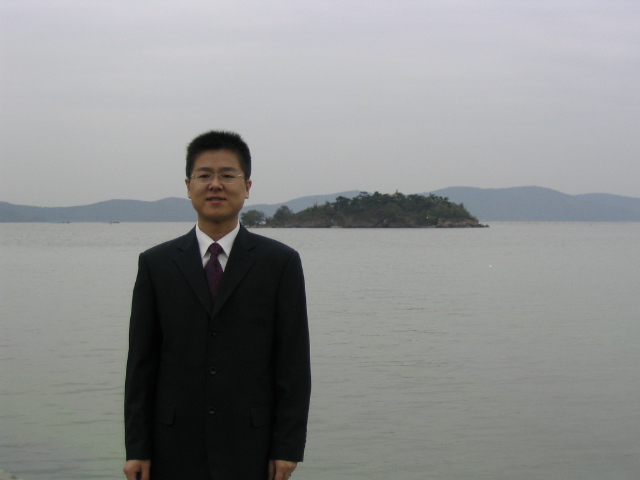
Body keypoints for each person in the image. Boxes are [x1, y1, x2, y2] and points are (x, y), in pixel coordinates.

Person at [123, 131, 311, 480]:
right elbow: (141, 365)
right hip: (172, 445)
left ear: (247, 186)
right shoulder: (156, 264)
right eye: (204, 175)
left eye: (227, 175)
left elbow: (293, 364)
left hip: (252, 446)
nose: (215, 185)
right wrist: (137, 449)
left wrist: (287, 447)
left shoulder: (280, 263)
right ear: (188, 185)